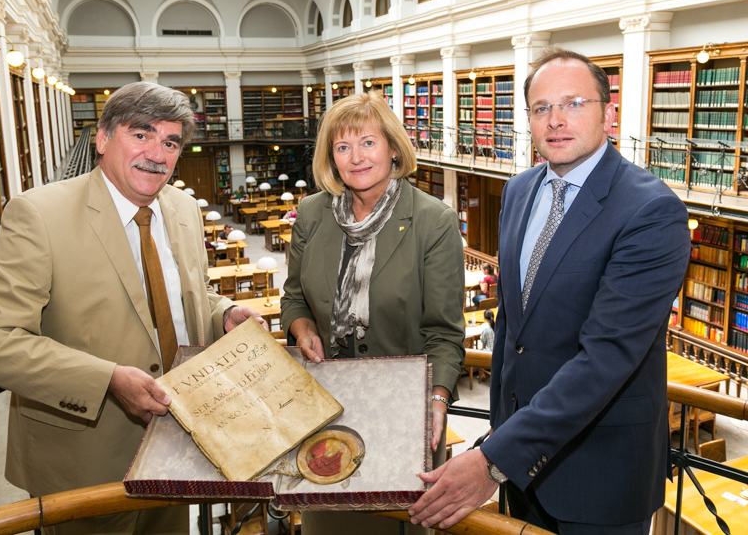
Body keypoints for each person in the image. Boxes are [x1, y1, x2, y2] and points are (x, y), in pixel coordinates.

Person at [0, 82, 268, 535]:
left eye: (170, 142)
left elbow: (186, 294)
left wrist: (222, 313)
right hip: (82, 463)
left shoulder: (182, 208)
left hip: (175, 447)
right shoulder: (38, 215)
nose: (156, 154)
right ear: (102, 138)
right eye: (140, 134)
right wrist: (106, 380)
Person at [409, 47, 690, 534]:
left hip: (601, 474)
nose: (556, 121)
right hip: (524, 470)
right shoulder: (518, 191)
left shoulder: (651, 212)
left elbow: (605, 359)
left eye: (574, 103)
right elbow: (515, 330)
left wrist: (492, 460)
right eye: (541, 108)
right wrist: (505, 437)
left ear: (609, 111)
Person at [281, 90, 465, 534]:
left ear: (392, 147)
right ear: (331, 157)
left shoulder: (432, 220)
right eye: (343, 147)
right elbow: (293, 296)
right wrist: (301, 326)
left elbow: (443, 330)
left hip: (404, 409)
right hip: (326, 409)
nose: (356, 157)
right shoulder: (311, 214)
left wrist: (437, 399)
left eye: (367, 142)